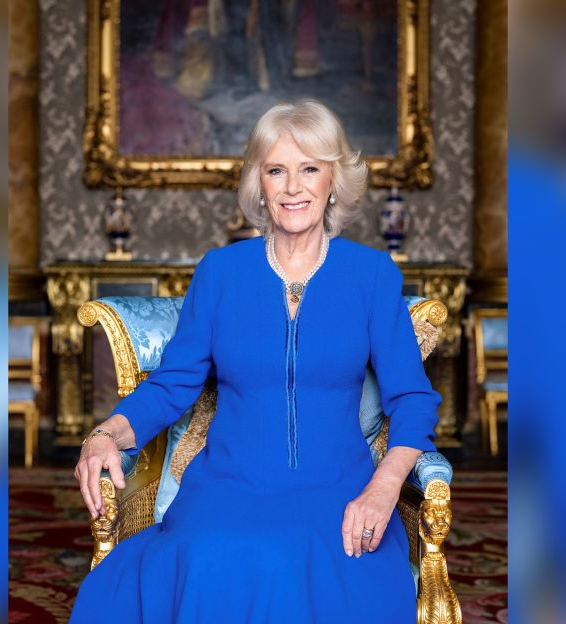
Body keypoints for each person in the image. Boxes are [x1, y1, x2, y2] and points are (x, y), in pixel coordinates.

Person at [69, 99, 441, 623]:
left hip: (338, 488)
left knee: (314, 567)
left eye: (310, 168)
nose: (293, 187)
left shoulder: (372, 276)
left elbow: (413, 401)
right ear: (259, 186)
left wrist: (382, 489)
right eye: (276, 170)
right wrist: (106, 434)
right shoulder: (220, 273)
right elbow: (171, 386)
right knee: (208, 556)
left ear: (333, 180)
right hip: (229, 483)